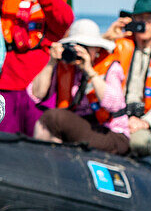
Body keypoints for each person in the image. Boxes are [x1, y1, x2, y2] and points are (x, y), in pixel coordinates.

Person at [0, 0, 74, 135]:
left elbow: (66, 20)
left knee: (35, 142)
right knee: (1, 140)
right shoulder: (3, 2)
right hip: (3, 86)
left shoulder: (50, 6)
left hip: (36, 89)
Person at [29, 19, 129, 155]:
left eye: (86, 46)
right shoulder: (66, 67)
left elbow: (115, 105)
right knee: (49, 121)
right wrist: (51, 62)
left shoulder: (111, 67)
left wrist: (90, 71)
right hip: (82, 126)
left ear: (97, 48)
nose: (80, 51)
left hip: (111, 132)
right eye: (76, 46)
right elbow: (37, 94)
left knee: (53, 118)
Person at [102, 0, 151, 156]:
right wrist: (108, 38)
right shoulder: (118, 45)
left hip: (147, 122)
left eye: (149, 19)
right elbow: (93, 62)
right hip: (118, 118)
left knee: (138, 141)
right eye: (139, 19)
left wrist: (146, 122)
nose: (144, 24)